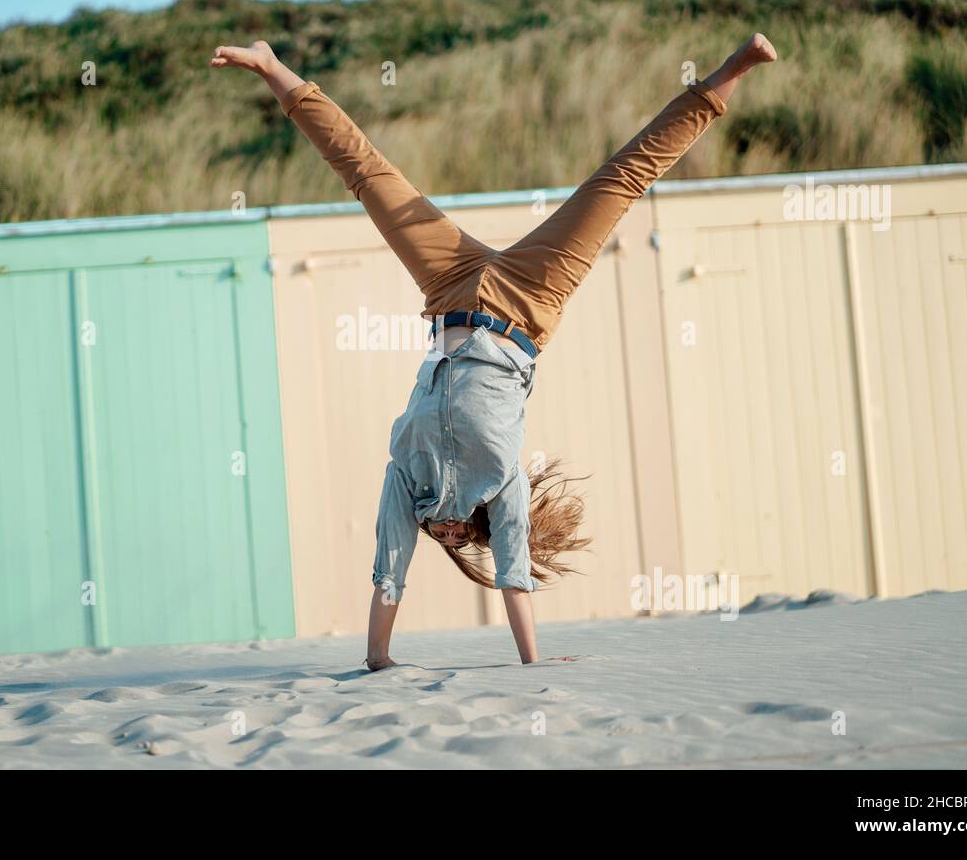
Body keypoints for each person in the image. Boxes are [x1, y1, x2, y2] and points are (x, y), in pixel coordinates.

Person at [211, 33, 777, 668]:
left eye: (440, 536)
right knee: (622, 180)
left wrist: (378, 658)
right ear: (473, 531)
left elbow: (388, 571)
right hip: (530, 302)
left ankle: (268, 64)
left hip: (449, 290)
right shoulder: (501, 484)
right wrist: (533, 664)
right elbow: (514, 577)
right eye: (458, 537)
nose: (446, 533)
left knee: (366, 174)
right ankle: (736, 69)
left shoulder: (406, 481)